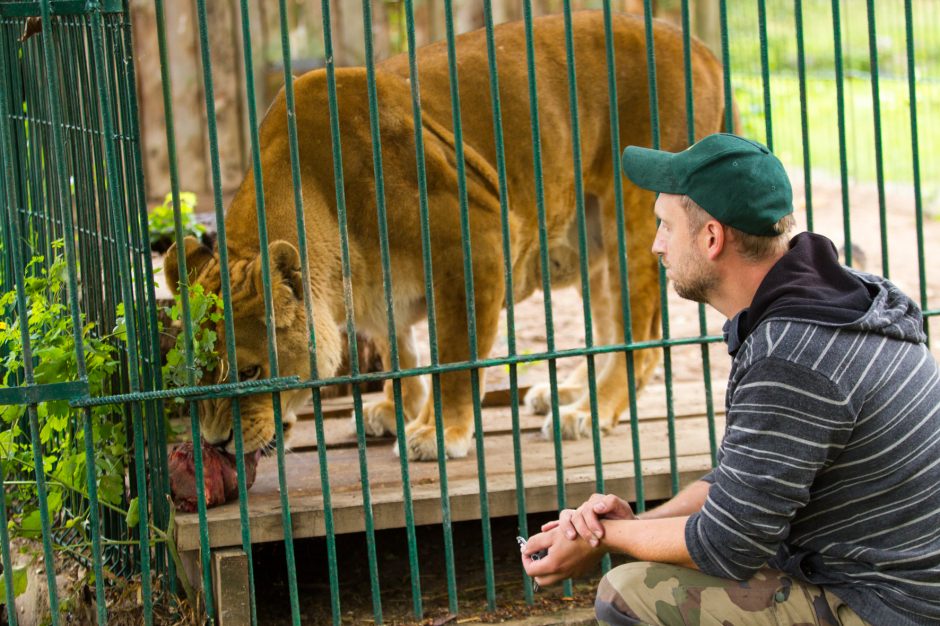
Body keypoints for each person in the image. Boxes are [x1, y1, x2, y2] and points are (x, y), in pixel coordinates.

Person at [520, 133, 940, 625]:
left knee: (630, 594)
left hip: (889, 606)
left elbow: (726, 544)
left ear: (712, 238)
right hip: (895, 574)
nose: (656, 246)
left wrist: (602, 541)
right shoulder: (840, 296)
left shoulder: (791, 359)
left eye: (665, 226)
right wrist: (637, 524)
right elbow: (748, 479)